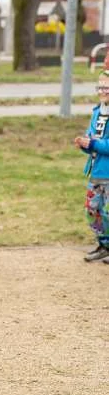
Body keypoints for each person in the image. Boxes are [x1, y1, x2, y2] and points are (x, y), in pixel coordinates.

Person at [75, 70, 109, 262]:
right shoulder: (97, 112)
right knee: (92, 211)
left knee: (108, 212)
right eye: (100, 86)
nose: (102, 91)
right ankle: (104, 244)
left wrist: (94, 144)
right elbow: (92, 139)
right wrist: (84, 144)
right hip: (95, 173)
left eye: (107, 87)